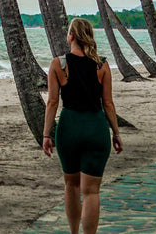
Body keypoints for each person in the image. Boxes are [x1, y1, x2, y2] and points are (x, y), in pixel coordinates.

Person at [42, 17, 123, 234]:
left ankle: (74, 233)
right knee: (91, 192)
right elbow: (108, 103)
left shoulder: (59, 64)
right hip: (96, 128)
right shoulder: (102, 65)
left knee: (71, 185)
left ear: (71, 36)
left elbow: (52, 102)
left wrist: (46, 134)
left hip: (69, 127)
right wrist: (116, 133)